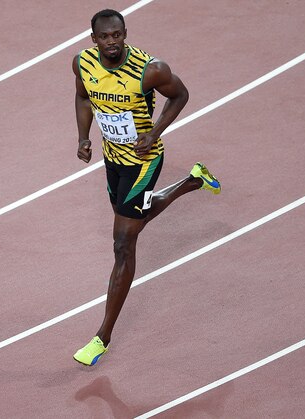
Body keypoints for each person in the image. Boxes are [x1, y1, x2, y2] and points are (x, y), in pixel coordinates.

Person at [72, 9, 221, 366]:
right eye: (105, 37)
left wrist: (154, 133)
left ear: (125, 33)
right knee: (132, 219)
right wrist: (82, 137)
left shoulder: (150, 69)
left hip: (144, 160)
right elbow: (81, 97)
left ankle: (101, 337)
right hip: (112, 159)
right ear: (94, 39)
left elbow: (180, 95)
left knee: (123, 243)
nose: (112, 42)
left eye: (117, 35)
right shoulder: (83, 63)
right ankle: (192, 181)